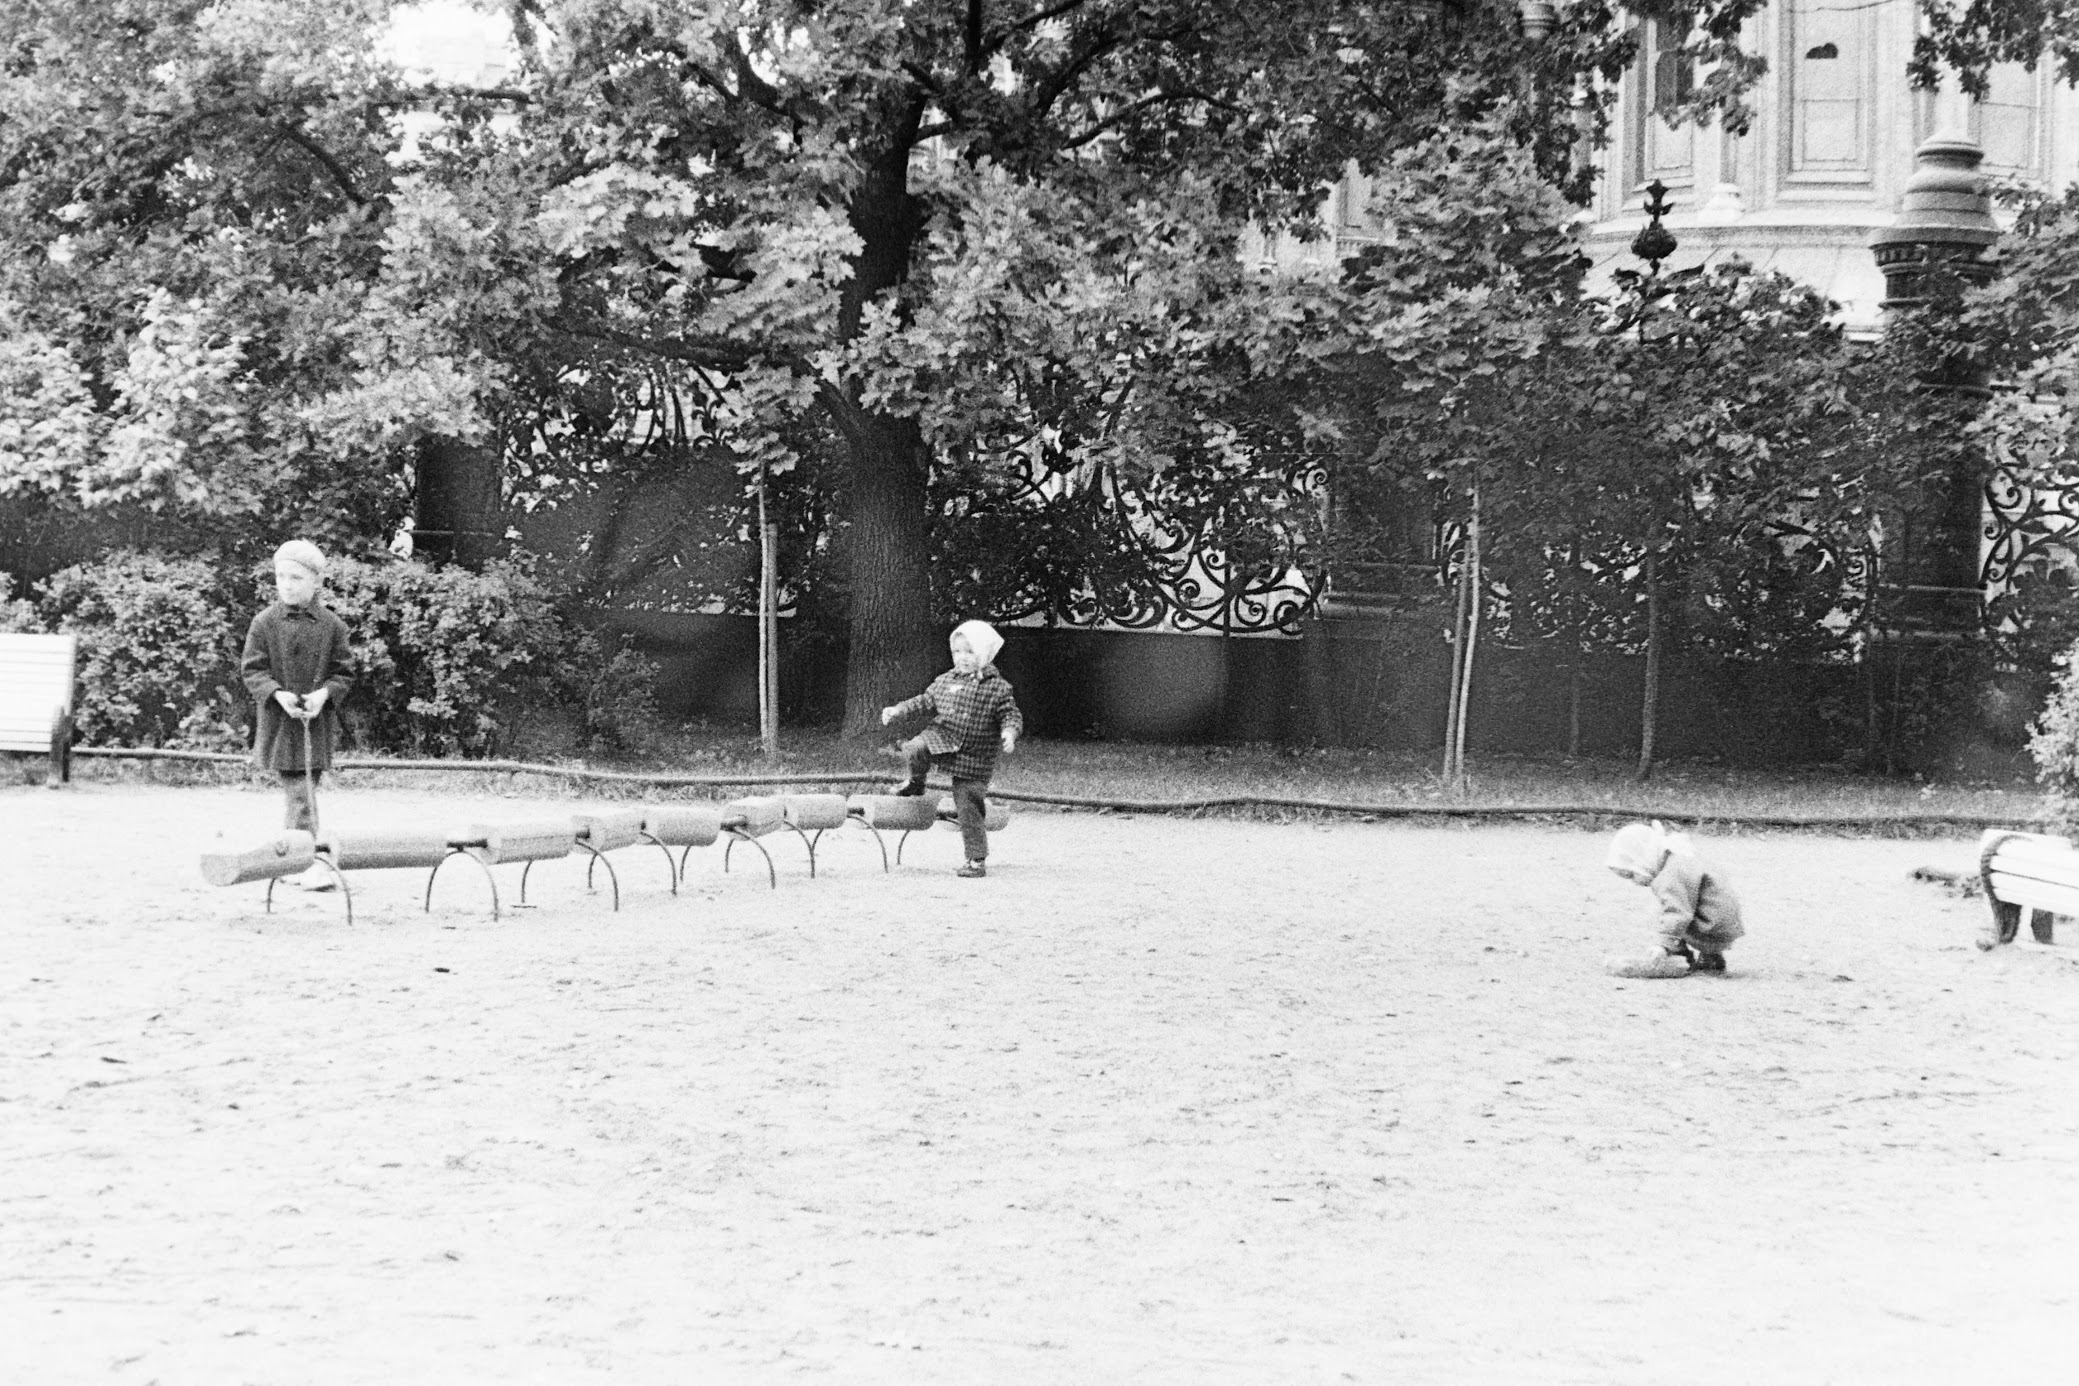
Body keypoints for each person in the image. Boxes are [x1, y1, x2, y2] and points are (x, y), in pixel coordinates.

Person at [880, 619, 1023, 878]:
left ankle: (976, 859)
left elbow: (1011, 715)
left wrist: (1009, 733)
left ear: (985, 653)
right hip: (943, 738)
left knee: (968, 805)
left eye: (970, 652)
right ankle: (916, 783)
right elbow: (923, 701)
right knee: (915, 747)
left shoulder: (998, 688)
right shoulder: (945, 680)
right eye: (957, 652)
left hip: (975, 756)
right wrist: (898, 710)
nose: (963, 658)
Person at [241, 540, 354, 859]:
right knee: (300, 795)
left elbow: (344, 672)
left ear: (317, 582)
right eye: (281, 577)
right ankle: (305, 860)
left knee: (302, 792)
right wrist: (277, 694)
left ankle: (296, 858)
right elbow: (252, 669)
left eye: (296, 577)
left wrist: (323, 695)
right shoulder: (264, 623)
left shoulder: (333, 626)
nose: (286, 585)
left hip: (314, 727)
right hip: (280, 725)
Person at [1603, 820, 1744, 977]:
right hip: (1725, 920)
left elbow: (1677, 912)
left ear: (1642, 857)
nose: (1634, 882)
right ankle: (1711, 957)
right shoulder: (1680, 855)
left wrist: (1663, 944)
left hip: (1711, 926)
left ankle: (1678, 953)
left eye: (1631, 874)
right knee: (1679, 907)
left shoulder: (1670, 875)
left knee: (1667, 913)